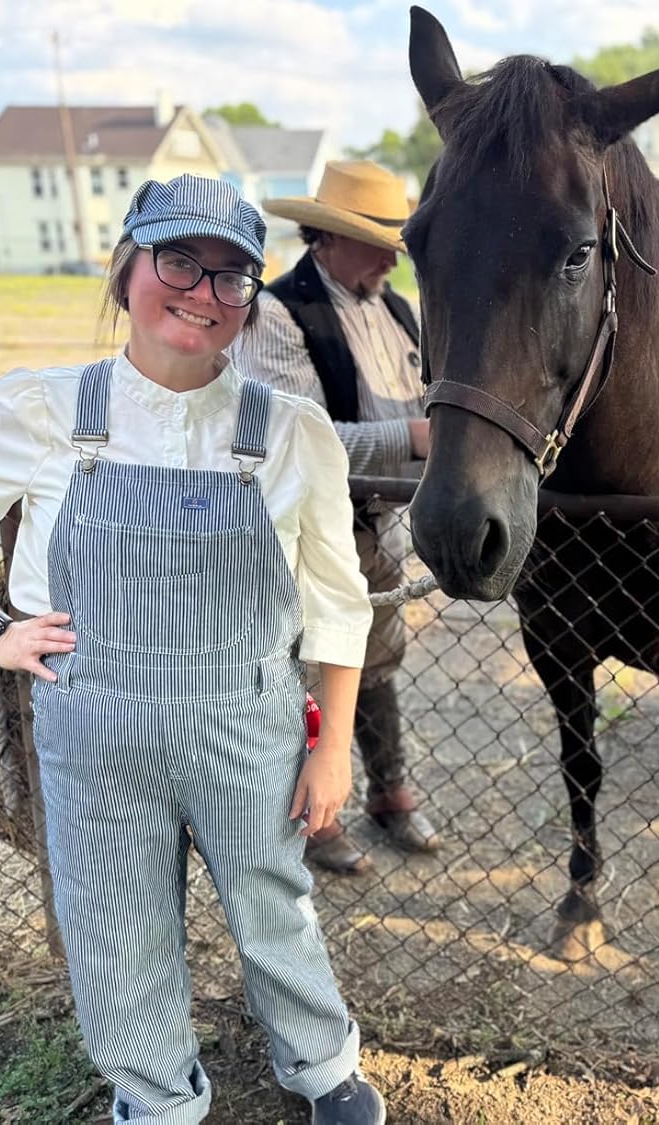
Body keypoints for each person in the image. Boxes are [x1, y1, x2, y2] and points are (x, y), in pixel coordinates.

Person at [0, 175, 385, 1125]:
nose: (202, 290)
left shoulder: (290, 434)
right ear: (127, 269)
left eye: (232, 275)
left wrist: (331, 746)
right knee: (117, 922)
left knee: (275, 909)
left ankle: (324, 1069)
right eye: (179, 260)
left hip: (248, 717)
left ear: (250, 301)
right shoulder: (47, 411)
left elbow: (337, 604)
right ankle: (154, 1095)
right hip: (94, 718)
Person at [233, 159, 438, 875]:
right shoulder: (278, 314)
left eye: (393, 241)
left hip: (373, 519)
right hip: (301, 522)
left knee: (375, 657)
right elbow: (295, 438)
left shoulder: (394, 308)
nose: (390, 256)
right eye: (376, 239)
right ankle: (315, 816)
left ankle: (388, 791)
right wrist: (413, 439)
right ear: (326, 237)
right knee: (304, 667)